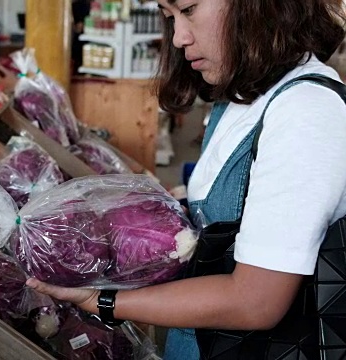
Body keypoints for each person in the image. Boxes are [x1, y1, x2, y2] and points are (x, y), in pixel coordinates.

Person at [26, 0, 346, 359]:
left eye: (189, 9)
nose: (177, 37)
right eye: (169, 17)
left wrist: (103, 301)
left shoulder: (305, 112)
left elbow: (257, 301)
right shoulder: (240, 96)